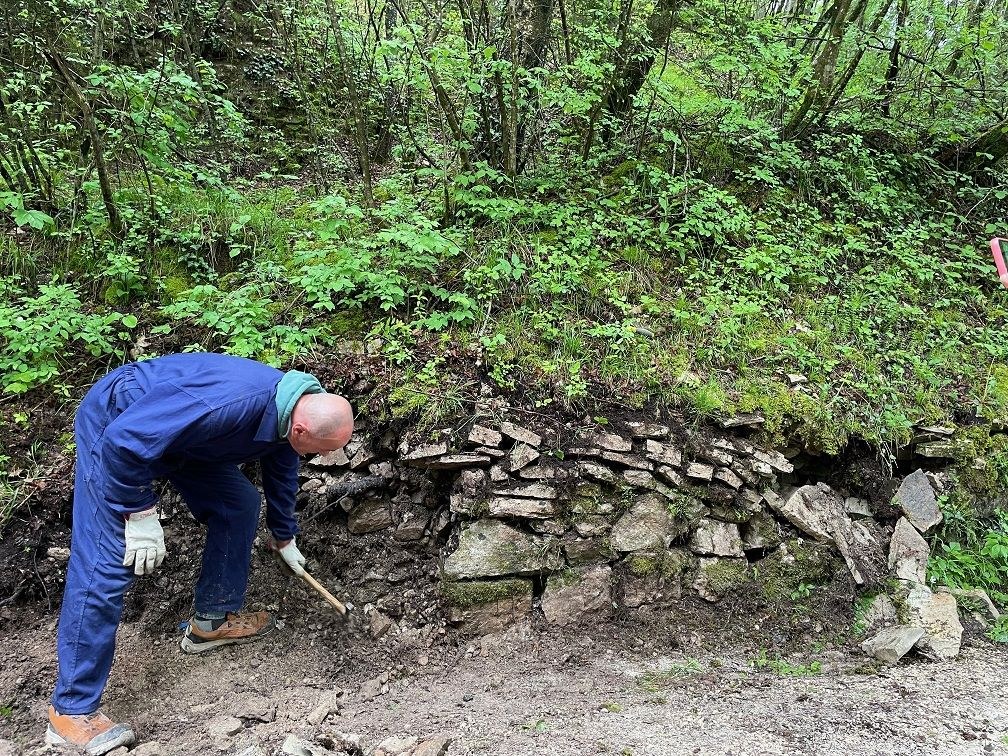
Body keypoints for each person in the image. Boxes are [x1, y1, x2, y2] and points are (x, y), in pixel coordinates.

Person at [46, 353, 354, 755]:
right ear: (300, 429)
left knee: (238, 503)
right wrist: (139, 512)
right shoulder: (229, 405)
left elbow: (282, 465)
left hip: (180, 439)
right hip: (120, 423)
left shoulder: (290, 413)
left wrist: (284, 535)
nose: (317, 458)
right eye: (318, 450)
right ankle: (70, 710)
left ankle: (211, 621)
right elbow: (124, 442)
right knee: (106, 559)